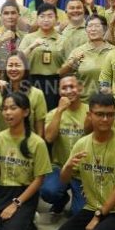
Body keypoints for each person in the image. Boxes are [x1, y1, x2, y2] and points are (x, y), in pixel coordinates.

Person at [52, 92, 115, 230]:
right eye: (99, 114)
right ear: (89, 115)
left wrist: (98, 217)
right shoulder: (82, 143)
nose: (105, 119)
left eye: (110, 115)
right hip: (91, 206)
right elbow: (64, 179)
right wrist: (67, 167)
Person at [0, 93, 51, 230]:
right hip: (1, 191)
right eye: (4, 109)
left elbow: (39, 180)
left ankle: (29, 221)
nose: (7, 113)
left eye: (13, 108)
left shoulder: (37, 143)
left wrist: (16, 204)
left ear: (26, 112)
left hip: (25, 193)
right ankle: (17, 221)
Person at [41, 74, 89, 220]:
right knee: (48, 191)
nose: (69, 91)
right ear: (59, 91)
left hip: (83, 171)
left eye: (72, 86)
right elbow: (49, 137)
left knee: (78, 214)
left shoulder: (90, 110)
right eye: (64, 88)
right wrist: (60, 111)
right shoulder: (53, 113)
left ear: (80, 88)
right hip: (60, 166)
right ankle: (61, 200)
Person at [0, 52, 47, 136]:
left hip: (28, 145)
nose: (13, 69)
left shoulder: (37, 94)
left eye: (17, 65)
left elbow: (40, 132)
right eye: (10, 65)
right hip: (2, 144)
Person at [20, 3, 64, 110]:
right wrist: (32, 46)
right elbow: (18, 60)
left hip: (55, 82)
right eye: (42, 16)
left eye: (50, 16)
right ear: (37, 18)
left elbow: (68, 64)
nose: (46, 20)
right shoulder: (29, 38)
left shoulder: (63, 39)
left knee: (52, 114)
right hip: (32, 80)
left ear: (56, 19)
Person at [59, 14, 113, 103]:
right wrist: (73, 62)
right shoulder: (78, 51)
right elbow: (62, 73)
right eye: (90, 26)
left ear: (105, 29)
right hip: (84, 103)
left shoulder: (114, 51)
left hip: (109, 105)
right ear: (86, 30)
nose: (93, 29)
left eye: (97, 26)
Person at [0, 0, 26, 82]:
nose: (10, 16)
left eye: (13, 13)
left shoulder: (25, 36)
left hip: (19, 82)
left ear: (19, 15)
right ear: (0, 16)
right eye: (6, 13)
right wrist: (1, 40)